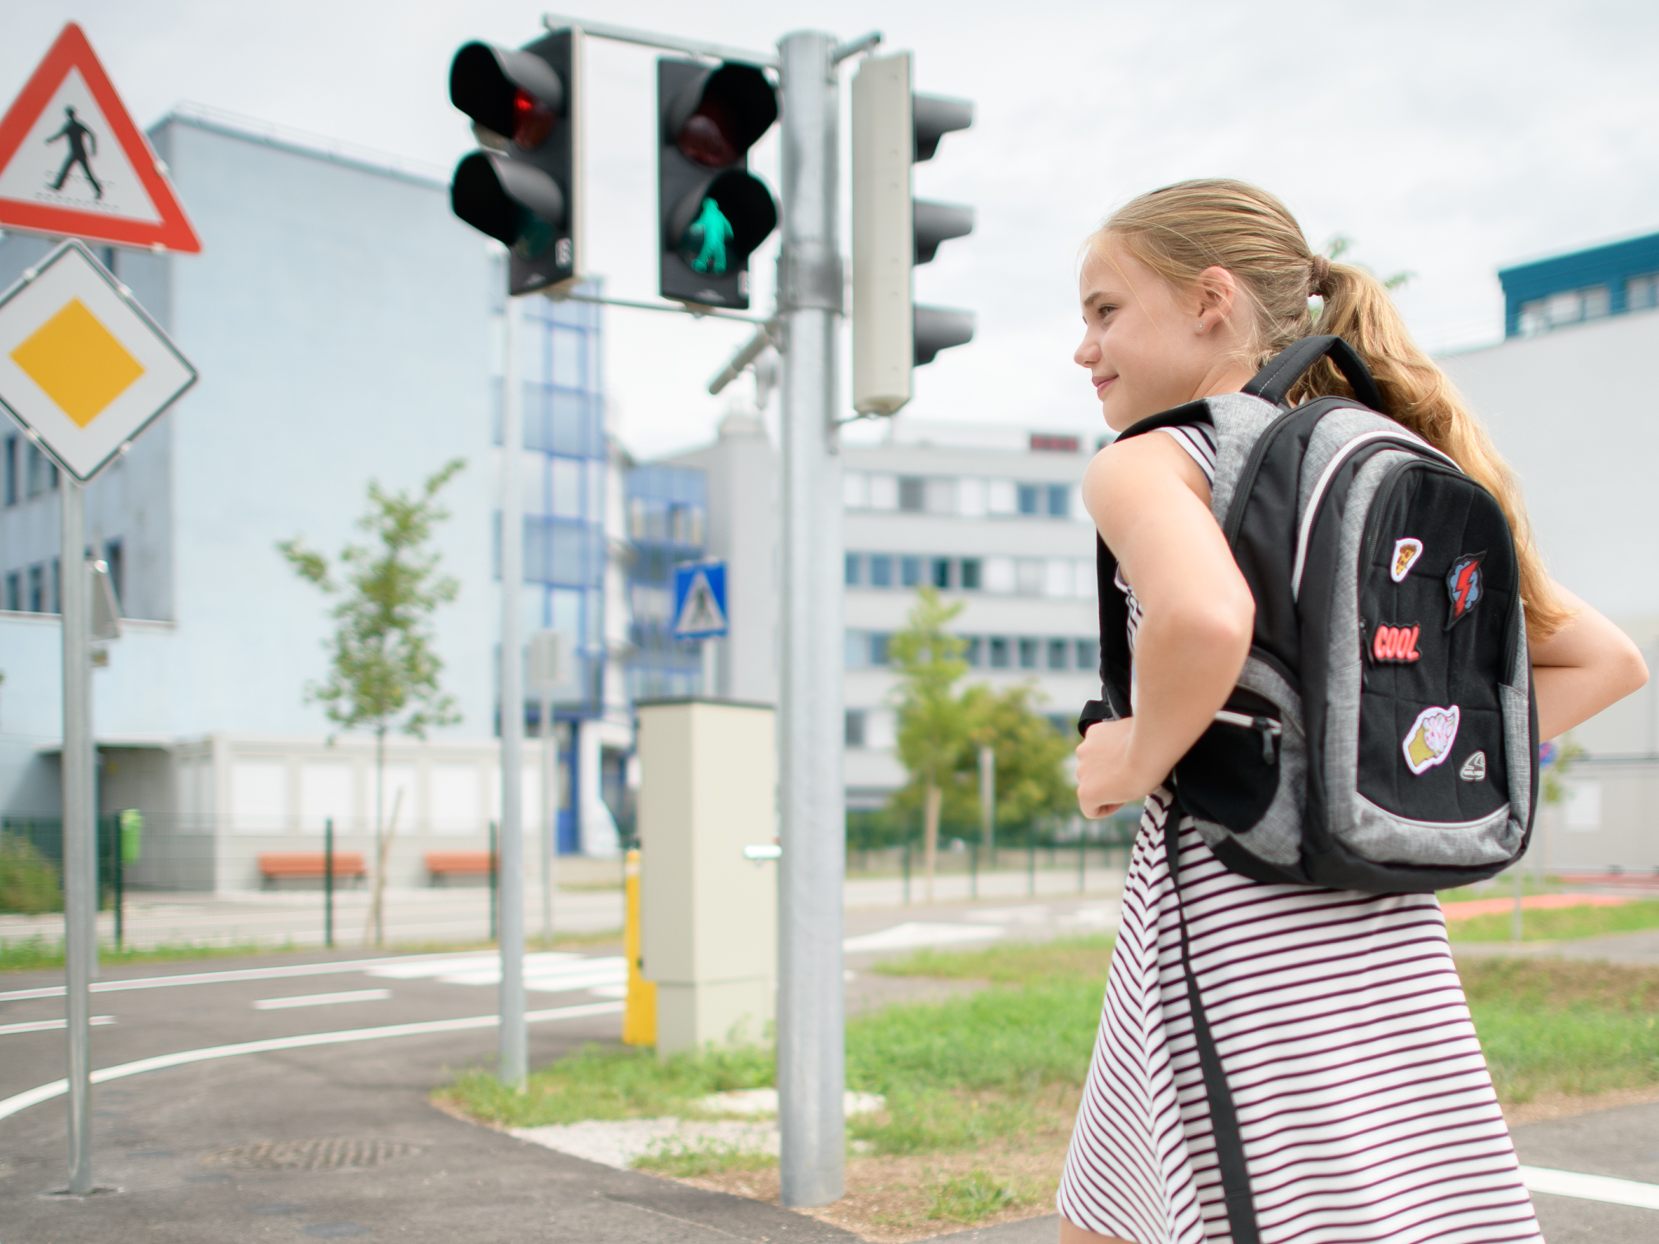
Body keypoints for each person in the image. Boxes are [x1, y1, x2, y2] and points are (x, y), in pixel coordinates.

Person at [1060, 178, 1649, 1244]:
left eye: (1105, 310)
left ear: (1210, 299)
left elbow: (1201, 619)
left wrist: (1131, 757)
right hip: (1376, 903)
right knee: (1129, 1209)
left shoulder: (1153, 459)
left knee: (1268, 1207)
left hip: (1237, 901)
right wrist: (1380, 758)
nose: (1083, 347)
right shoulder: (1387, 458)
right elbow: (1603, 659)